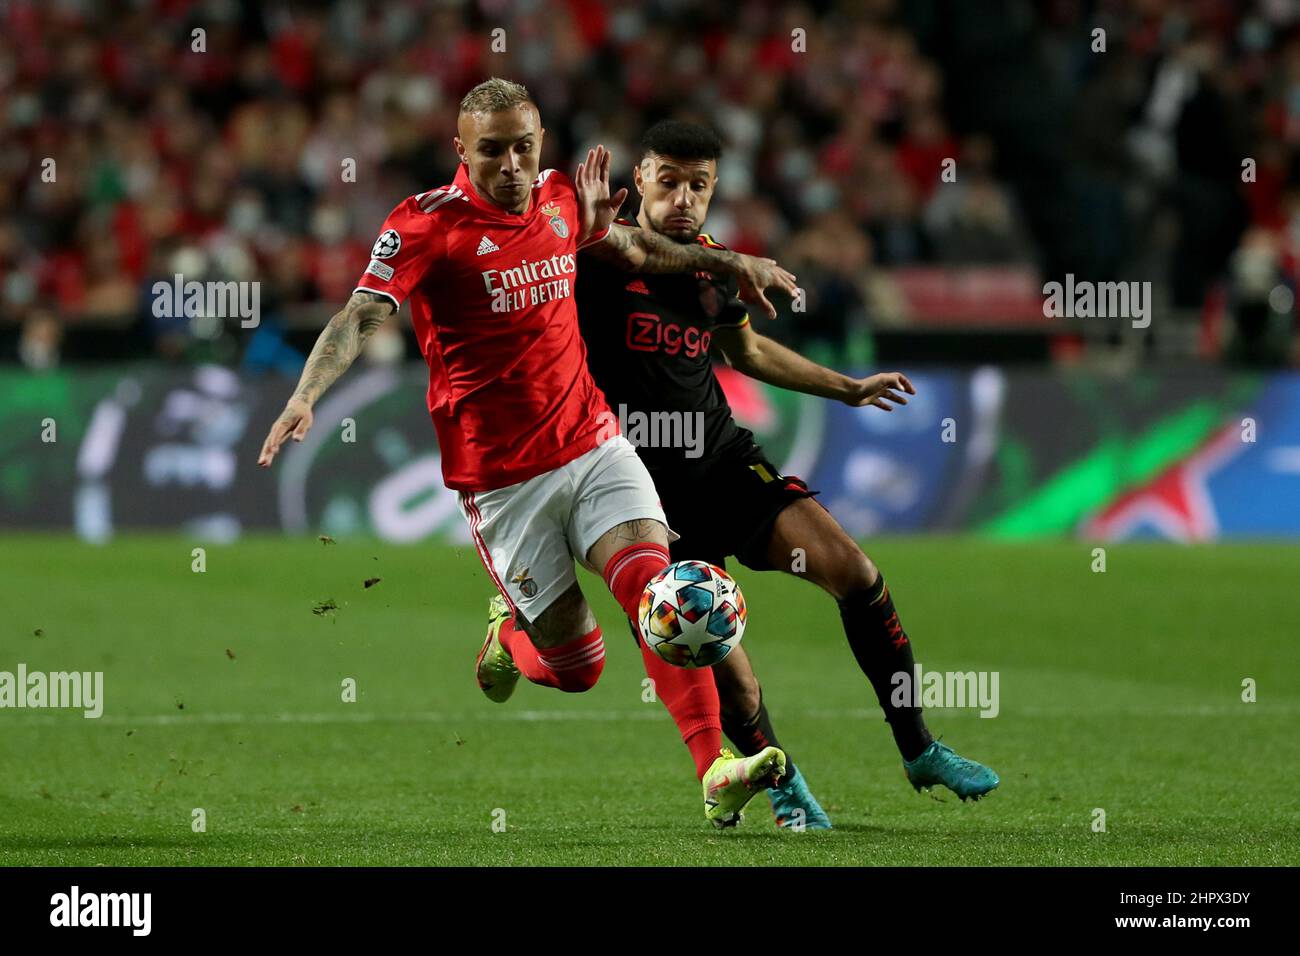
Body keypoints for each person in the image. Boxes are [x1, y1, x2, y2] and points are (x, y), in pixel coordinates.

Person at [256, 79, 798, 824]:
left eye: (523, 147)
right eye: (492, 150)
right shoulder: (426, 225)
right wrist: (305, 393)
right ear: (460, 150)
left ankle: (715, 767)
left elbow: (635, 245)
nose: (511, 164)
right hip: (502, 479)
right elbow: (360, 314)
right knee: (580, 670)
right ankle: (509, 639)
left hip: (594, 444)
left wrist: (729, 263)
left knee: (657, 591)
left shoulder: (558, 197)